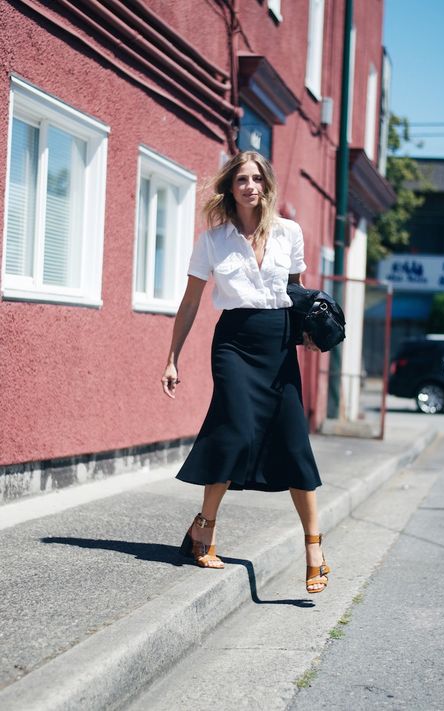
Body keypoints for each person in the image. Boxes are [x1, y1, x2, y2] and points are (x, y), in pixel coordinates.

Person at [161, 151, 330, 594]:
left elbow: (296, 293)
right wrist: (172, 356)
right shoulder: (213, 240)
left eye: (257, 179)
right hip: (234, 342)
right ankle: (205, 528)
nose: (249, 186)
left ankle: (314, 547)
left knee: (293, 440)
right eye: (241, 179)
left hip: (278, 343)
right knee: (235, 430)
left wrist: (308, 332)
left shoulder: (289, 233)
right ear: (229, 187)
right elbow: (192, 300)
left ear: (266, 185)